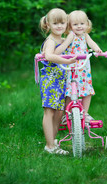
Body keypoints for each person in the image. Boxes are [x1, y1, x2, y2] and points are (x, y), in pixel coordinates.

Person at [38, 8, 77, 155]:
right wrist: (67, 60)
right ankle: (49, 146)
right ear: (48, 25)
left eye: (62, 23)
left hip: (61, 81)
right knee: (50, 112)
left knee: (59, 113)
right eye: (55, 23)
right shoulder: (51, 41)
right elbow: (49, 56)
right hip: (50, 80)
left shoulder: (61, 40)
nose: (59, 26)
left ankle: (52, 142)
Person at [58, 10, 102, 124]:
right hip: (72, 67)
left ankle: (85, 113)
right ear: (70, 26)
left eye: (82, 24)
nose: (79, 27)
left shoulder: (85, 35)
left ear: (87, 24)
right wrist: (54, 53)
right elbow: (64, 46)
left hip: (83, 68)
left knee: (87, 91)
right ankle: (67, 114)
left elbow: (92, 43)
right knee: (70, 91)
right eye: (75, 24)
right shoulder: (71, 36)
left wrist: (97, 50)